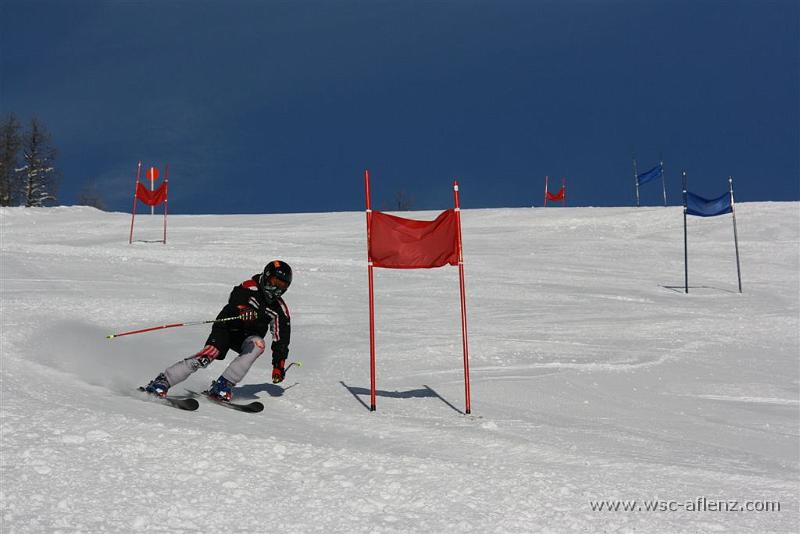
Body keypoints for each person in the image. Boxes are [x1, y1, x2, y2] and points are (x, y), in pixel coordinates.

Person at [143, 260, 293, 401]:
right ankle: (163, 381)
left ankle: (223, 385)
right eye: (275, 283)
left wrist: (278, 365)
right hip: (227, 328)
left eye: (282, 286)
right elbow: (236, 297)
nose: (277, 290)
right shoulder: (250, 287)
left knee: (259, 344)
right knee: (207, 356)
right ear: (266, 277)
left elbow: (282, 338)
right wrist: (243, 309)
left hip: (246, 337)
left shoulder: (279, 310)